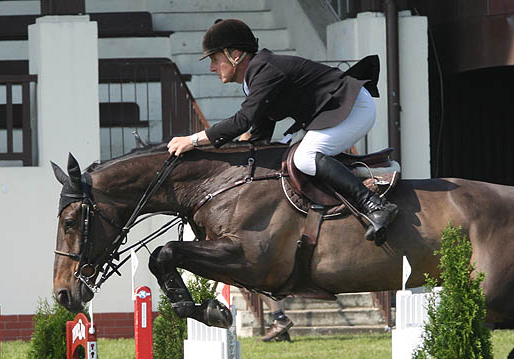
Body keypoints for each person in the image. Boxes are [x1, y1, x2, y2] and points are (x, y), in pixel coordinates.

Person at [167, 18, 398, 246]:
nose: (212, 68)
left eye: (215, 60)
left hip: (352, 107)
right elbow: (259, 136)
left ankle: (375, 205)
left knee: (304, 158)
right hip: (332, 111)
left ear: (235, 55)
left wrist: (193, 140)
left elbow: (242, 121)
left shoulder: (265, 71)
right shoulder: (255, 77)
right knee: (286, 155)